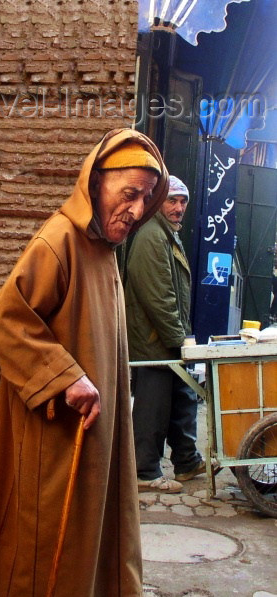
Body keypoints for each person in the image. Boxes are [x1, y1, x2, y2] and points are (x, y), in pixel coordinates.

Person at [0, 128, 169, 597]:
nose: (136, 209)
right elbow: (8, 318)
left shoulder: (105, 248)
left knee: (90, 543)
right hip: (55, 437)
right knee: (39, 553)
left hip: (94, 435)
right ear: (96, 186)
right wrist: (66, 376)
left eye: (146, 197)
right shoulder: (59, 241)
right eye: (128, 194)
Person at [125, 175, 204, 494]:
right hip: (153, 342)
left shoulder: (167, 234)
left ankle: (186, 461)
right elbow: (159, 297)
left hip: (167, 338)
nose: (179, 207)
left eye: (183, 201)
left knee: (183, 398)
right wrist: (179, 340)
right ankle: (144, 470)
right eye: (172, 200)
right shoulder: (151, 237)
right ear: (157, 202)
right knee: (153, 408)